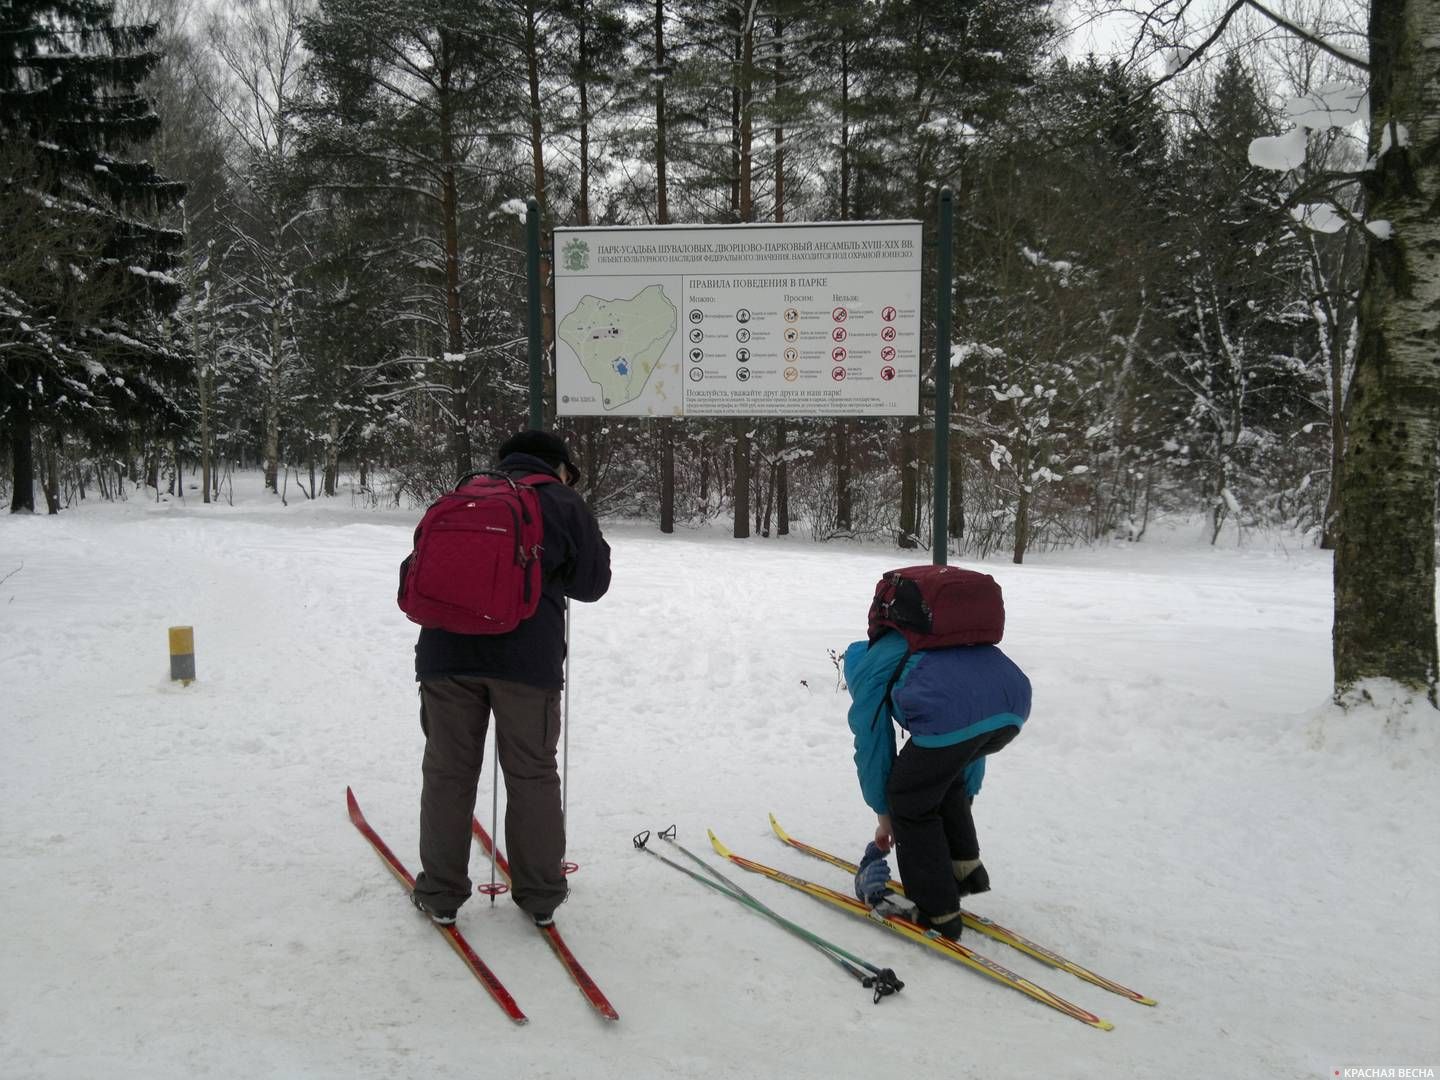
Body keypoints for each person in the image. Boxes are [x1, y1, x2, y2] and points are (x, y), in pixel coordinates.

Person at [409, 430, 611, 928]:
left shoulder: (460, 499)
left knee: (448, 774)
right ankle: (541, 894)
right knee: (531, 775)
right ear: (559, 466)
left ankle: (440, 891)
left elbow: (416, 574)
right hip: (527, 663)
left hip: (446, 657)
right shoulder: (563, 503)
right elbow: (593, 583)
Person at [844, 618, 1031, 940]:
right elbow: (966, 736)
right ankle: (965, 869)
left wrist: (885, 813)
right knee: (941, 772)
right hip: (1013, 703)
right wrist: (965, 795)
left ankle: (937, 911)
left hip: (956, 713)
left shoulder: (868, 667)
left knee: (908, 799)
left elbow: (873, 742)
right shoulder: (928, 644)